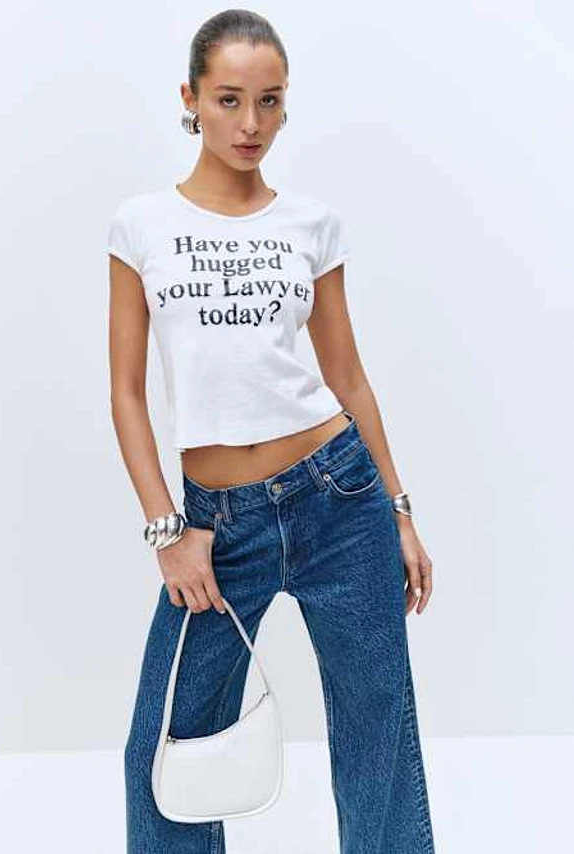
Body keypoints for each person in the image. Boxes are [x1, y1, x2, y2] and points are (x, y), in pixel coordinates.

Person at [107, 9, 435, 853]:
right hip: (218, 525)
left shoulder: (311, 225)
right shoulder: (142, 226)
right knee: (161, 747)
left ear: (287, 103)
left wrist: (398, 510)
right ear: (190, 99)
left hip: (339, 495)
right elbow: (127, 392)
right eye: (228, 99)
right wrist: (168, 532)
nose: (251, 123)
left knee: (377, 735)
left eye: (270, 100)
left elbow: (348, 378)